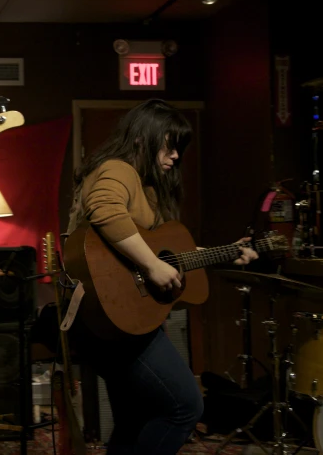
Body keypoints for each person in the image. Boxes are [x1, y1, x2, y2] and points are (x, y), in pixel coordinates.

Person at [65, 99, 258, 454]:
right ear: (142, 138)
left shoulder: (146, 186)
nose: (175, 157)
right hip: (112, 320)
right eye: (170, 146)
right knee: (186, 406)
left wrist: (228, 251)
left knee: (134, 417)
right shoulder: (118, 169)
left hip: (114, 322)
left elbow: (160, 251)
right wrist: (153, 266)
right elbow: (105, 209)